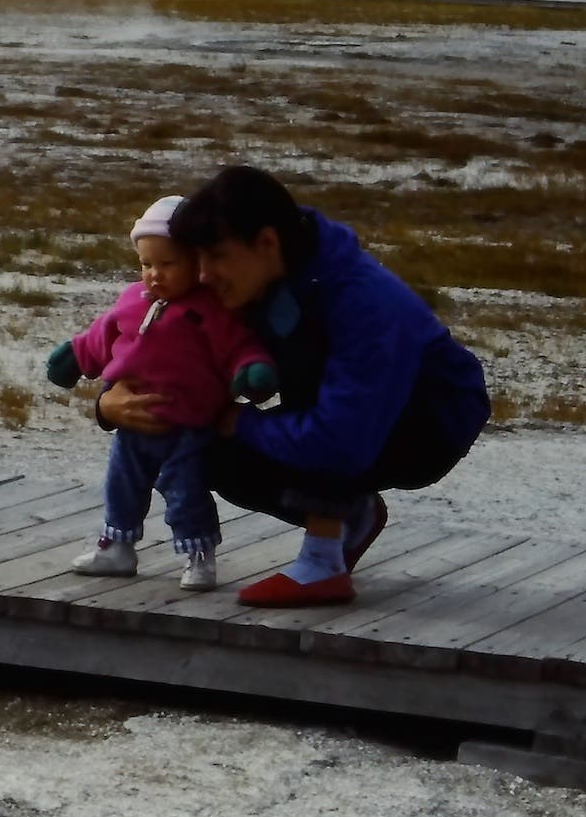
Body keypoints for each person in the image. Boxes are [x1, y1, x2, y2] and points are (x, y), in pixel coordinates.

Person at [94, 166, 490, 607]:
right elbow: (172, 357)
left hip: (428, 419)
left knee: (311, 409)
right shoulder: (263, 274)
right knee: (207, 451)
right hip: (346, 412)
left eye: (217, 256)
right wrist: (108, 404)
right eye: (198, 259)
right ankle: (352, 518)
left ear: (266, 242)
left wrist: (241, 422)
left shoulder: (363, 303)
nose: (203, 275)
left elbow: (341, 439)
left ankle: (323, 563)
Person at [47, 196, 277, 591]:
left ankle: (197, 554)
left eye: (167, 264)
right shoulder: (132, 301)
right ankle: (117, 545)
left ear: (195, 262)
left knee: (185, 491)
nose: (154, 275)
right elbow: (101, 337)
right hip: (132, 426)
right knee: (121, 486)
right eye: (146, 264)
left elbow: (238, 347)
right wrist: (73, 357)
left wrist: (252, 373)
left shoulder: (209, 311)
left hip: (187, 427)